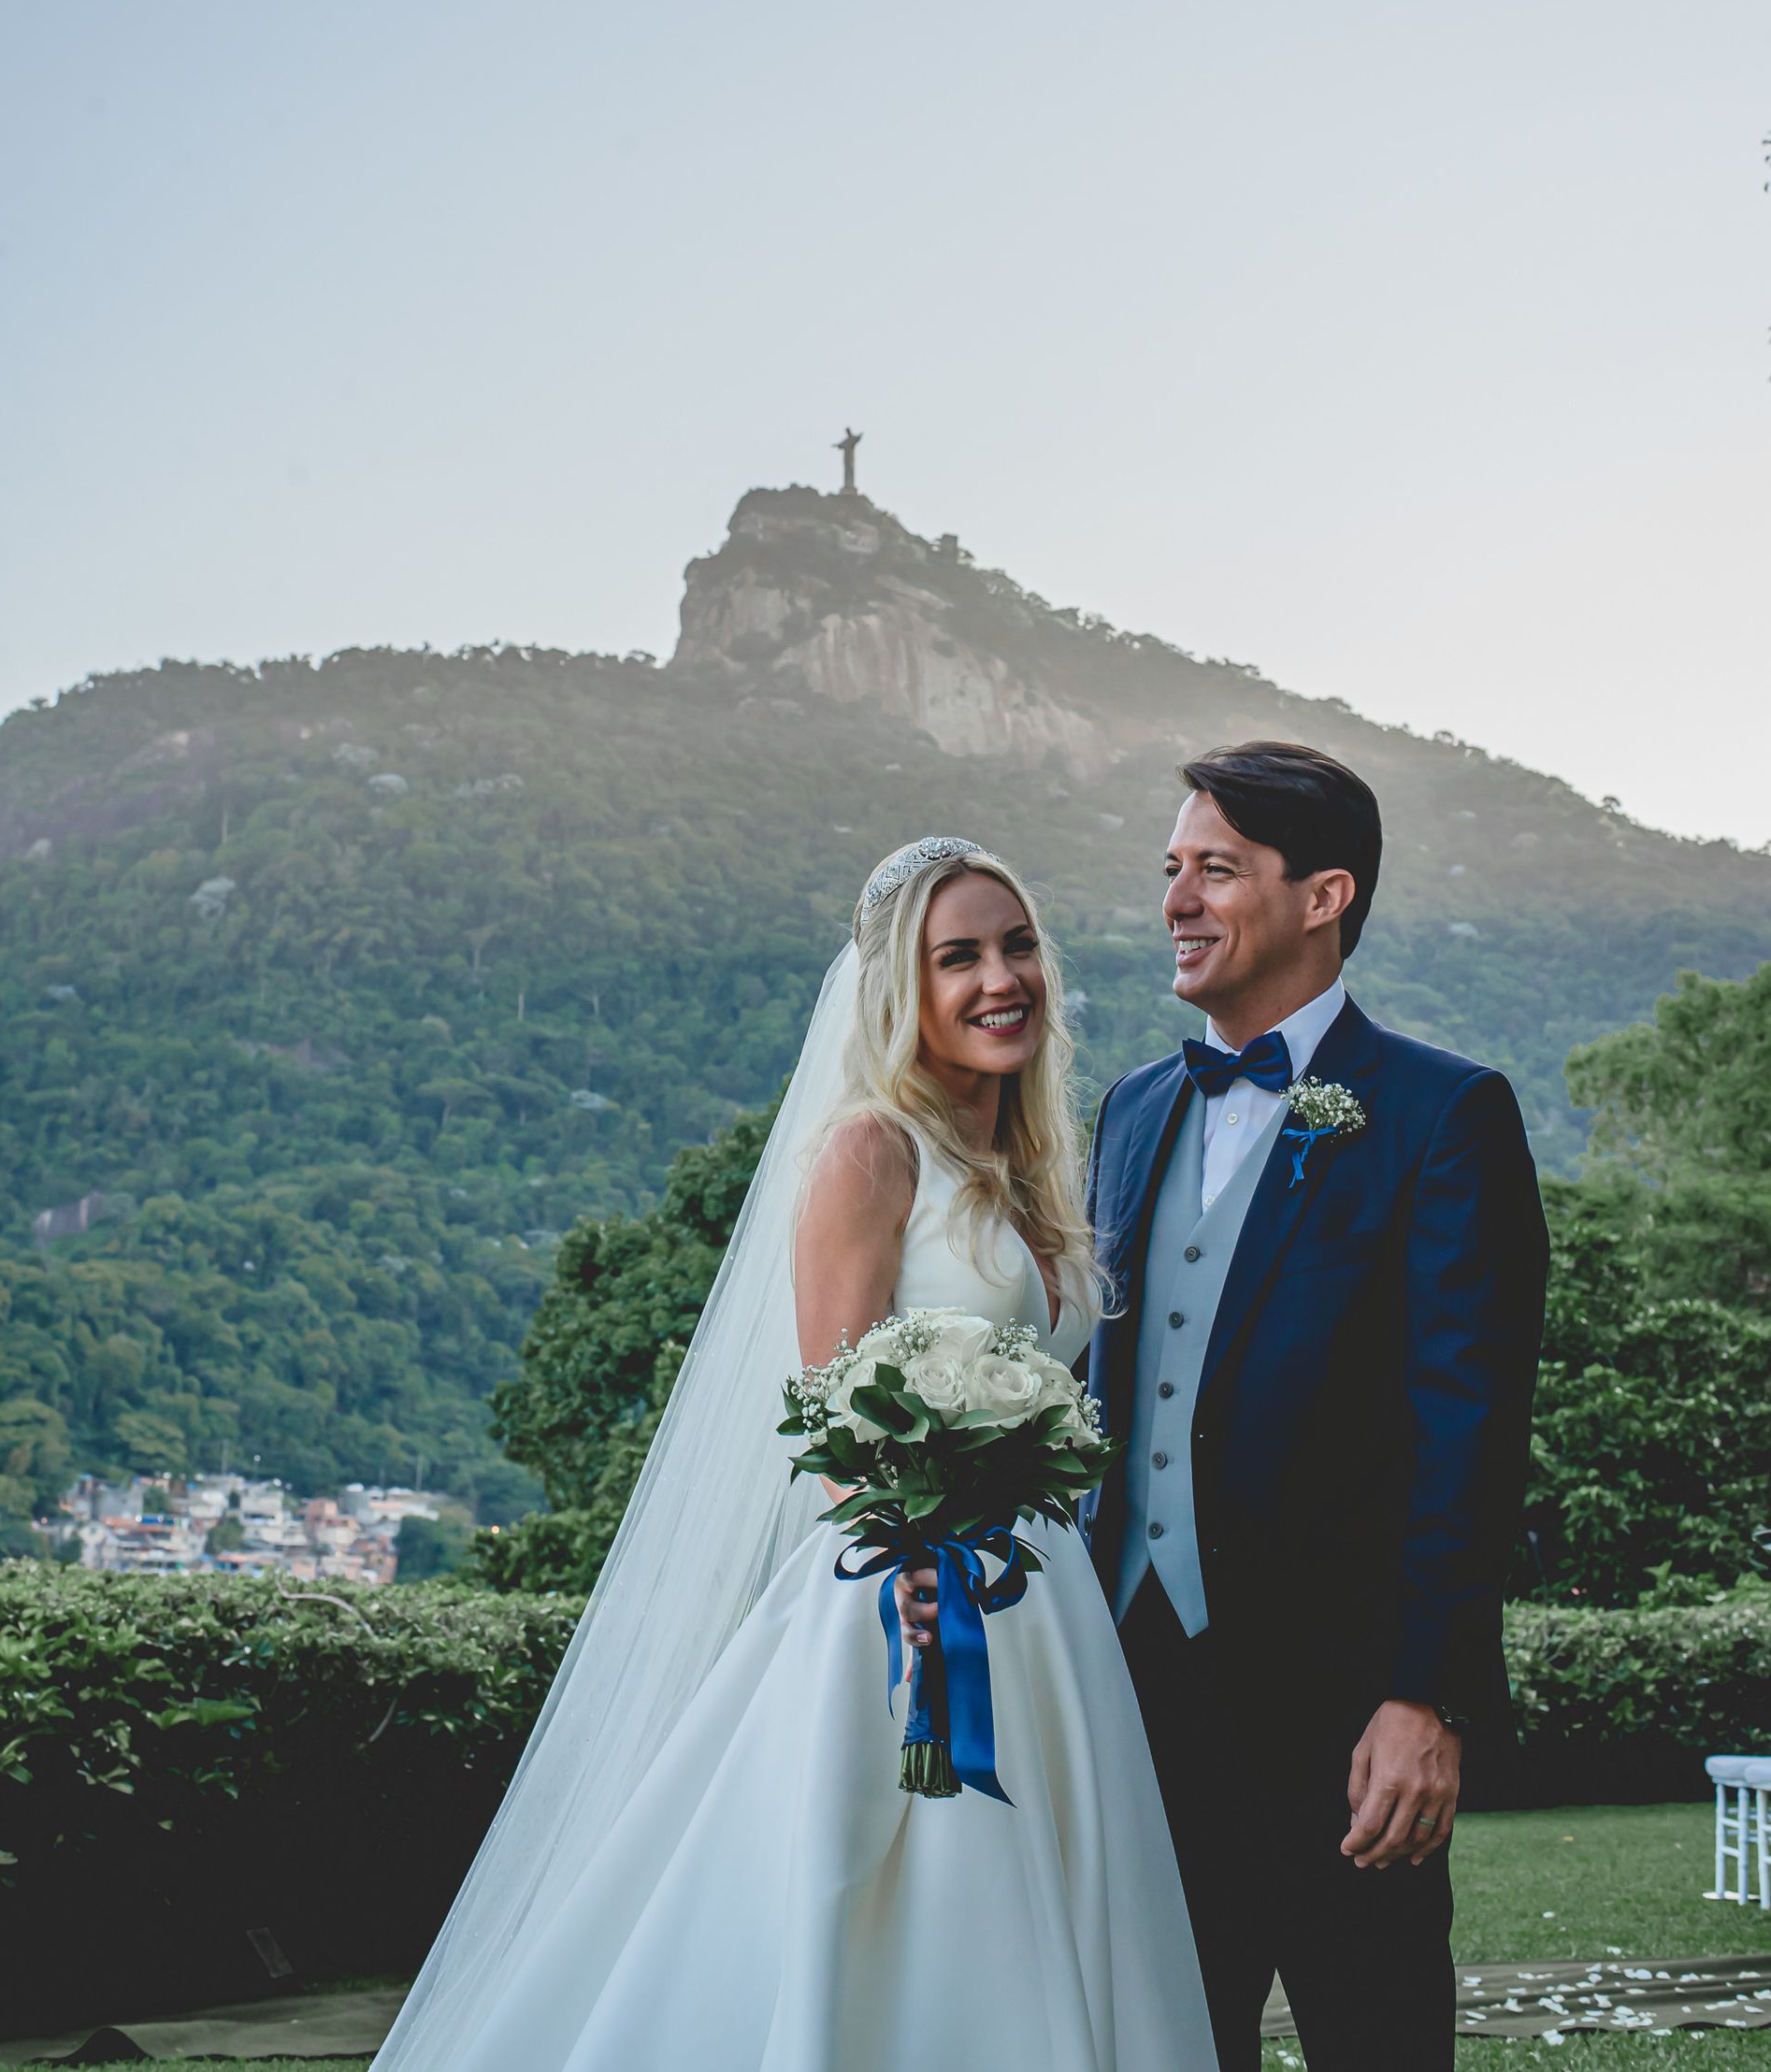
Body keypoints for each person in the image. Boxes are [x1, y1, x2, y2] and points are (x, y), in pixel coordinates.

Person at [371, 836, 1217, 2072]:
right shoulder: (872, 1152)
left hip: (1051, 1610)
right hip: (911, 1600)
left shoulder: (1035, 1169)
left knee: (1073, 1905)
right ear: (900, 992)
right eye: (958, 957)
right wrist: (917, 1553)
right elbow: (831, 1408)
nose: (1002, 979)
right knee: (917, 1916)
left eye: (1018, 945)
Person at [1069, 741, 1547, 2071]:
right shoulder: (1131, 1110)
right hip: (1135, 1707)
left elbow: (1469, 1433)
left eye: (1216, 870)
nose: (1176, 900)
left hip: (1347, 1727)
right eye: (1172, 869)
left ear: (1324, 895)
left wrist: (1426, 1700)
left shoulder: (1445, 1114)